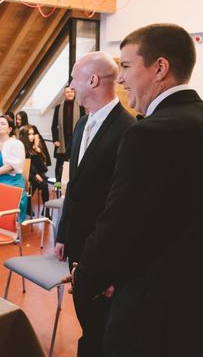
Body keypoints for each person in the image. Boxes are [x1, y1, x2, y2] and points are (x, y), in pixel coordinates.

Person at [67, 24, 203, 356]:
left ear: (159, 68)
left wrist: (86, 277)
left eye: (128, 67)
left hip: (152, 317)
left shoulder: (149, 134)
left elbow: (120, 223)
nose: (120, 79)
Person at [52, 52, 135, 357]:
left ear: (92, 80)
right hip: (77, 241)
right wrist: (63, 233)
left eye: (74, 77)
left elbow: (121, 206)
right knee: (87, 322)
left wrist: (109, 268)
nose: (70, 84)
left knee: (100, 330)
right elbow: (76, 186)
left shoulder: (128, 129)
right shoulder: (82, 124)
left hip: (103, 250)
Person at [52, 86, 84, 182]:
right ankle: (58, 186)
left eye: (71, 91)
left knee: (74, 165)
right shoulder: (58, 108)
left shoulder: (81, 108)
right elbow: (54, 125)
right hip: (62, 142)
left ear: (74, 93)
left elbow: (84, 126)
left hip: (75, 141)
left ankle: (70, 186)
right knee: (59, 166)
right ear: (64, 94)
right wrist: (55, 140)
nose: (69, 93)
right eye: (67, 92)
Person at [19, 125, 50, 215]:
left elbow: (42, 164)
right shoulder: (22, 148)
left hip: (36, 173)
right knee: (39, 184)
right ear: (24, 135)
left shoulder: (33, 148)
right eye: (30, 134)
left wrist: (38, 150)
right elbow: (27, 165)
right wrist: (36, 175)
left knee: (42, 184)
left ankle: (45, 209)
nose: (32, 136)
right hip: (26, 173)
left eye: (33, 134)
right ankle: (31, 207)